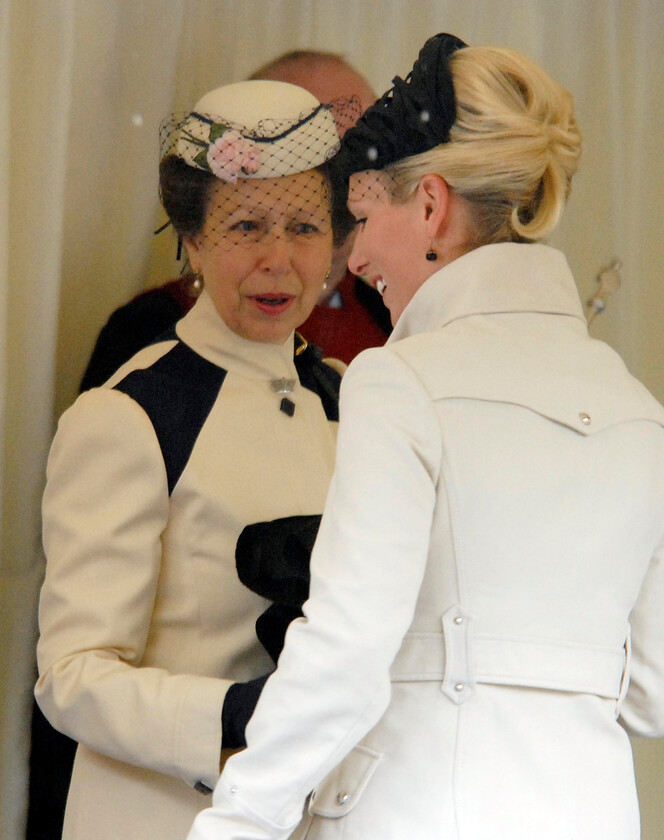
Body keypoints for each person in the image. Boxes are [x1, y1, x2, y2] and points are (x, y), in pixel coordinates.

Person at [186, 33, 664, 840]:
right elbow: (647, 688)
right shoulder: (638, 410)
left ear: (433, 207)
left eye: (364, 216)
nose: (357, 252)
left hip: (419, 812)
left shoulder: (400, 381)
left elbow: (345, 651)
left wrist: (235, 823)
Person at [34, 79, 348, 840]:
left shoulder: (350, 401)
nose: (279, 260)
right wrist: (234, 715)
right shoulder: (132, 413)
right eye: (246, 226)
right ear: (193, 237)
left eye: (305, 227)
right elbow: (71, 677)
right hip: (163, 817)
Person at [78, 51, 387, 391]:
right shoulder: (145, 332)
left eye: (353, 149)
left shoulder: (391, 316)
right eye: (248, 226)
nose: (335, 174)